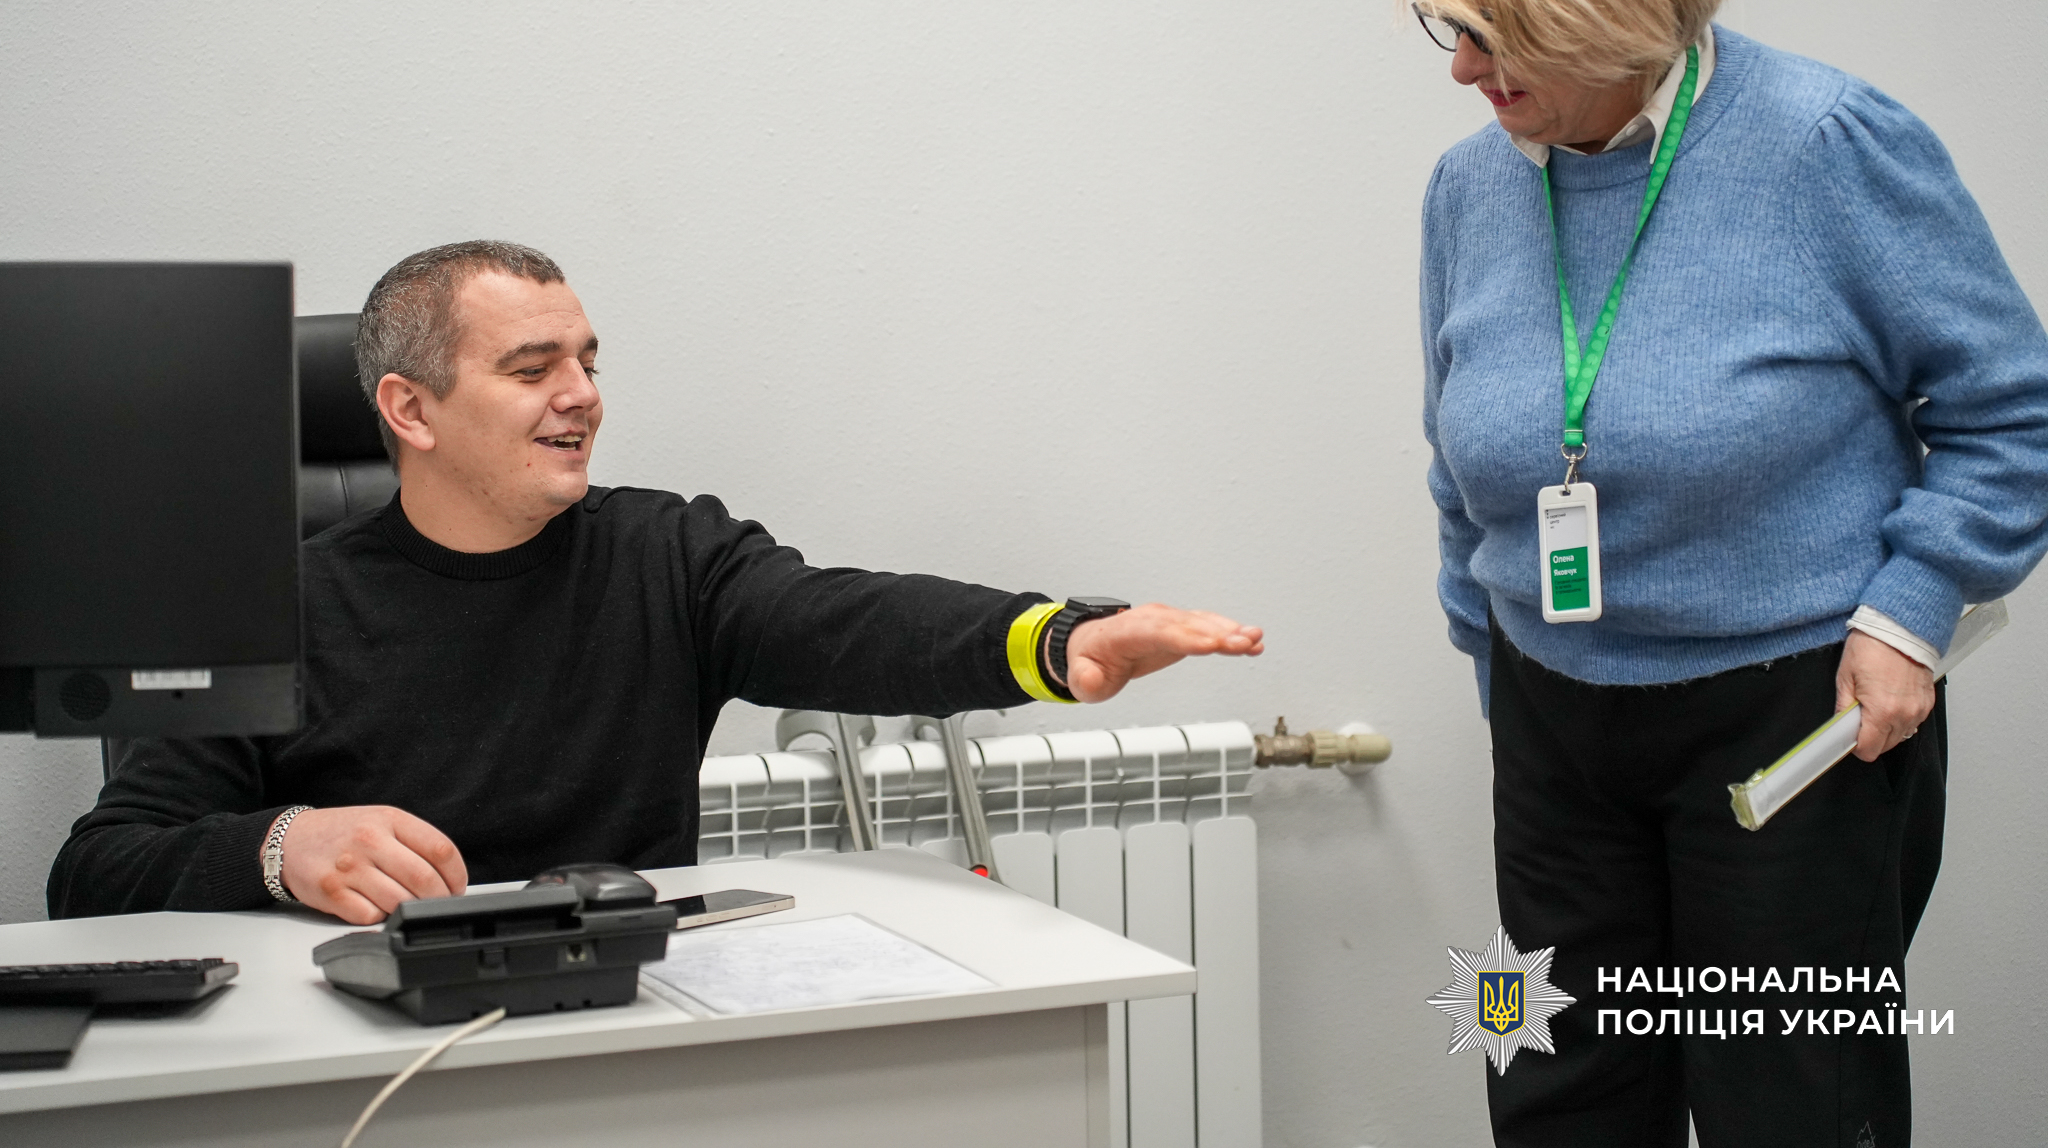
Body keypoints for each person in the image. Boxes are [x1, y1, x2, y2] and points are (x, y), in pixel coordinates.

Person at [1386, 0, 2048, 1148]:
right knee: (1552, 1091)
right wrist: (1491, 655)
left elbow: (2010, 406)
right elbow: (1460, 457)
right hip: (1553, 716)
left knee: (1789, 1108)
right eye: (1444, 26)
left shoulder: (1827, 144)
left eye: (1493, 32)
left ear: (1599, 8)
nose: (1460, 69)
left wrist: (1910, 614)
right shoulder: (1468, 187)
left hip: (1790, 720)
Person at [48, 242, 1263, 924]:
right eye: (532, 368)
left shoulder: (665, 553)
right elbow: (100, 869)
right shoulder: (277, 605)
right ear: (410, 411)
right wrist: (280, 846)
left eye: (586, 360)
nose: (581, 394)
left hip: (628, 1021)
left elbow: (844, 621)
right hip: (365, 1057)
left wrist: (1054, 641)